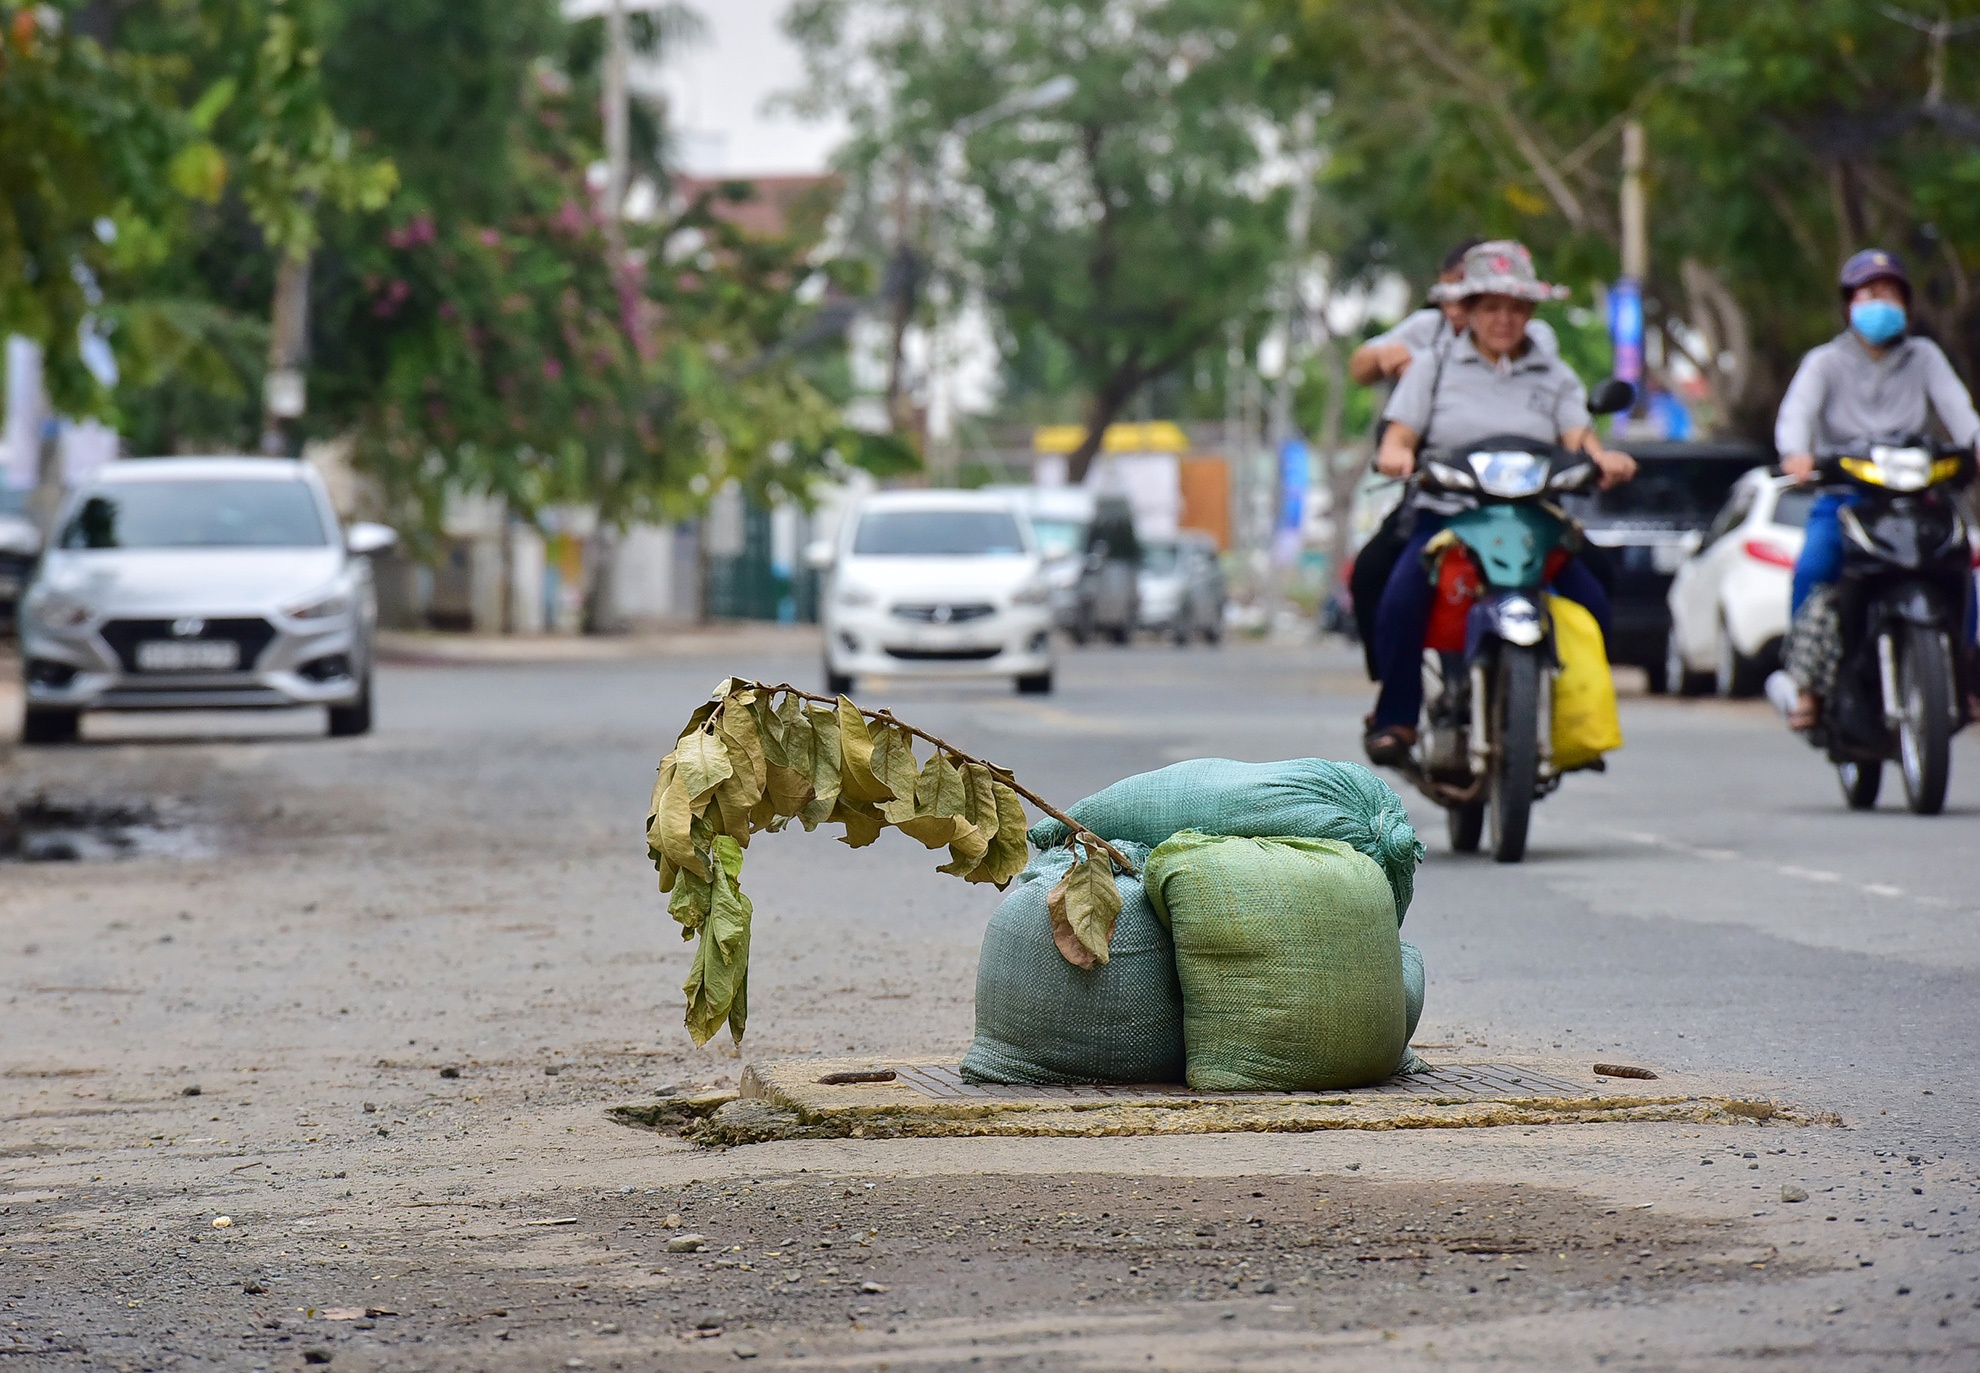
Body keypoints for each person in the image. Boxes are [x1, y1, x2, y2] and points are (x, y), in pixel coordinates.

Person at [1362, 240, 1636, 765]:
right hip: (1450, 517)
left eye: (1515, 308)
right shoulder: (1433, 366)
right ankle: (1397, 718)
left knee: (1594, 595)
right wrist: (1396, 454)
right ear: (1468, 310)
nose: (1504, 320)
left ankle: (1575, 722)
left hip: (1535, 520)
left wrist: (1606, 460)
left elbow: (1580, 439)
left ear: (1531, 312)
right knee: (1400, 597)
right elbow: (1399, 436)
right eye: (1491, 307)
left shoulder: (1555, 375)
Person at [1774, 248, 1980, 729]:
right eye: (1869, 294)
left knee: (1959, 564)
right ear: (1849, 304)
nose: (1879, 303)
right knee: (1815, 565)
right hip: (1848, 497)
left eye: (1889, 293)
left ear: (1906, 303)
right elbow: (1796, 415)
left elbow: (1961, 414)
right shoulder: (1824, 362)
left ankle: (1967, 676)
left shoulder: (1925, 358)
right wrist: (1796, 454)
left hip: (1915, 498)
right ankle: (1807, 684)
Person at [1345, 239, 1562, 675]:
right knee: (1379, 576)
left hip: (1524, 499)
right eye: (1475, 302)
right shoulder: (1430, 347)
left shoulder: (1534, 348)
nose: (1498, 319)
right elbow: (1369, 378)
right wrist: (1385, 359)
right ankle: (1394, 687)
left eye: (1510, 306)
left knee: (1591, 578)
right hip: (1442, 494)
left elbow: (1569, 419)